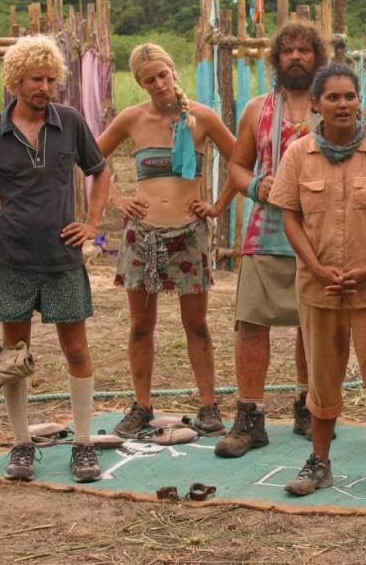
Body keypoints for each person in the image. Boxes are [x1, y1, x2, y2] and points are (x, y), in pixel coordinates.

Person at [269, 63, 366, 501]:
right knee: (322, 379)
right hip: (318, 289)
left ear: (359, 100)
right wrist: (315, 266)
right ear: (316, 104)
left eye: (349, 96)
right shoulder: (298, 154)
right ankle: (319, 463)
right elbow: (290, 215)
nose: (342, 104)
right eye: (332, 97)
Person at [0, 35, 111, 482]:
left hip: (62, 258)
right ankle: (21, 444)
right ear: (15, 79)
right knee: (15, 354)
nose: (44, 87)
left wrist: (91, 223)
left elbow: (100, 170)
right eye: (36, 79)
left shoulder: (69, 122)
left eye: (51, 79)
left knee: (76, 349)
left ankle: (84, 444)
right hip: (11, 258)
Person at [97, 43, 237, 438]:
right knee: (142, 324)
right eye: (148, 80)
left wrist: (217, 205)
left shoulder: (202, 119)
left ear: (174, 71)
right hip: (142, 236)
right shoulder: (132, 119)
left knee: (197, 324)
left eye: (163, 74)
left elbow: (241, 160)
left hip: (189, 235)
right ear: (140, 84)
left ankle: (209, 406)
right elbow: (90, 158)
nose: (158, 84)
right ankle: (141, 405)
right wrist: (118, 199)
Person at [215, 22, 327, 458]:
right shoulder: (257, 109)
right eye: (288, 51)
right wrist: (257, 186)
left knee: (311, 323)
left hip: (319, 232)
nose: (296, 57)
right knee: (250, 323)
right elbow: (237, 167)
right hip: (265, 232)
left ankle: (308, 404)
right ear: (276, 59)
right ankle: (250, 416)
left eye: (304, 50)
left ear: (317, 56)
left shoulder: (333, 105)